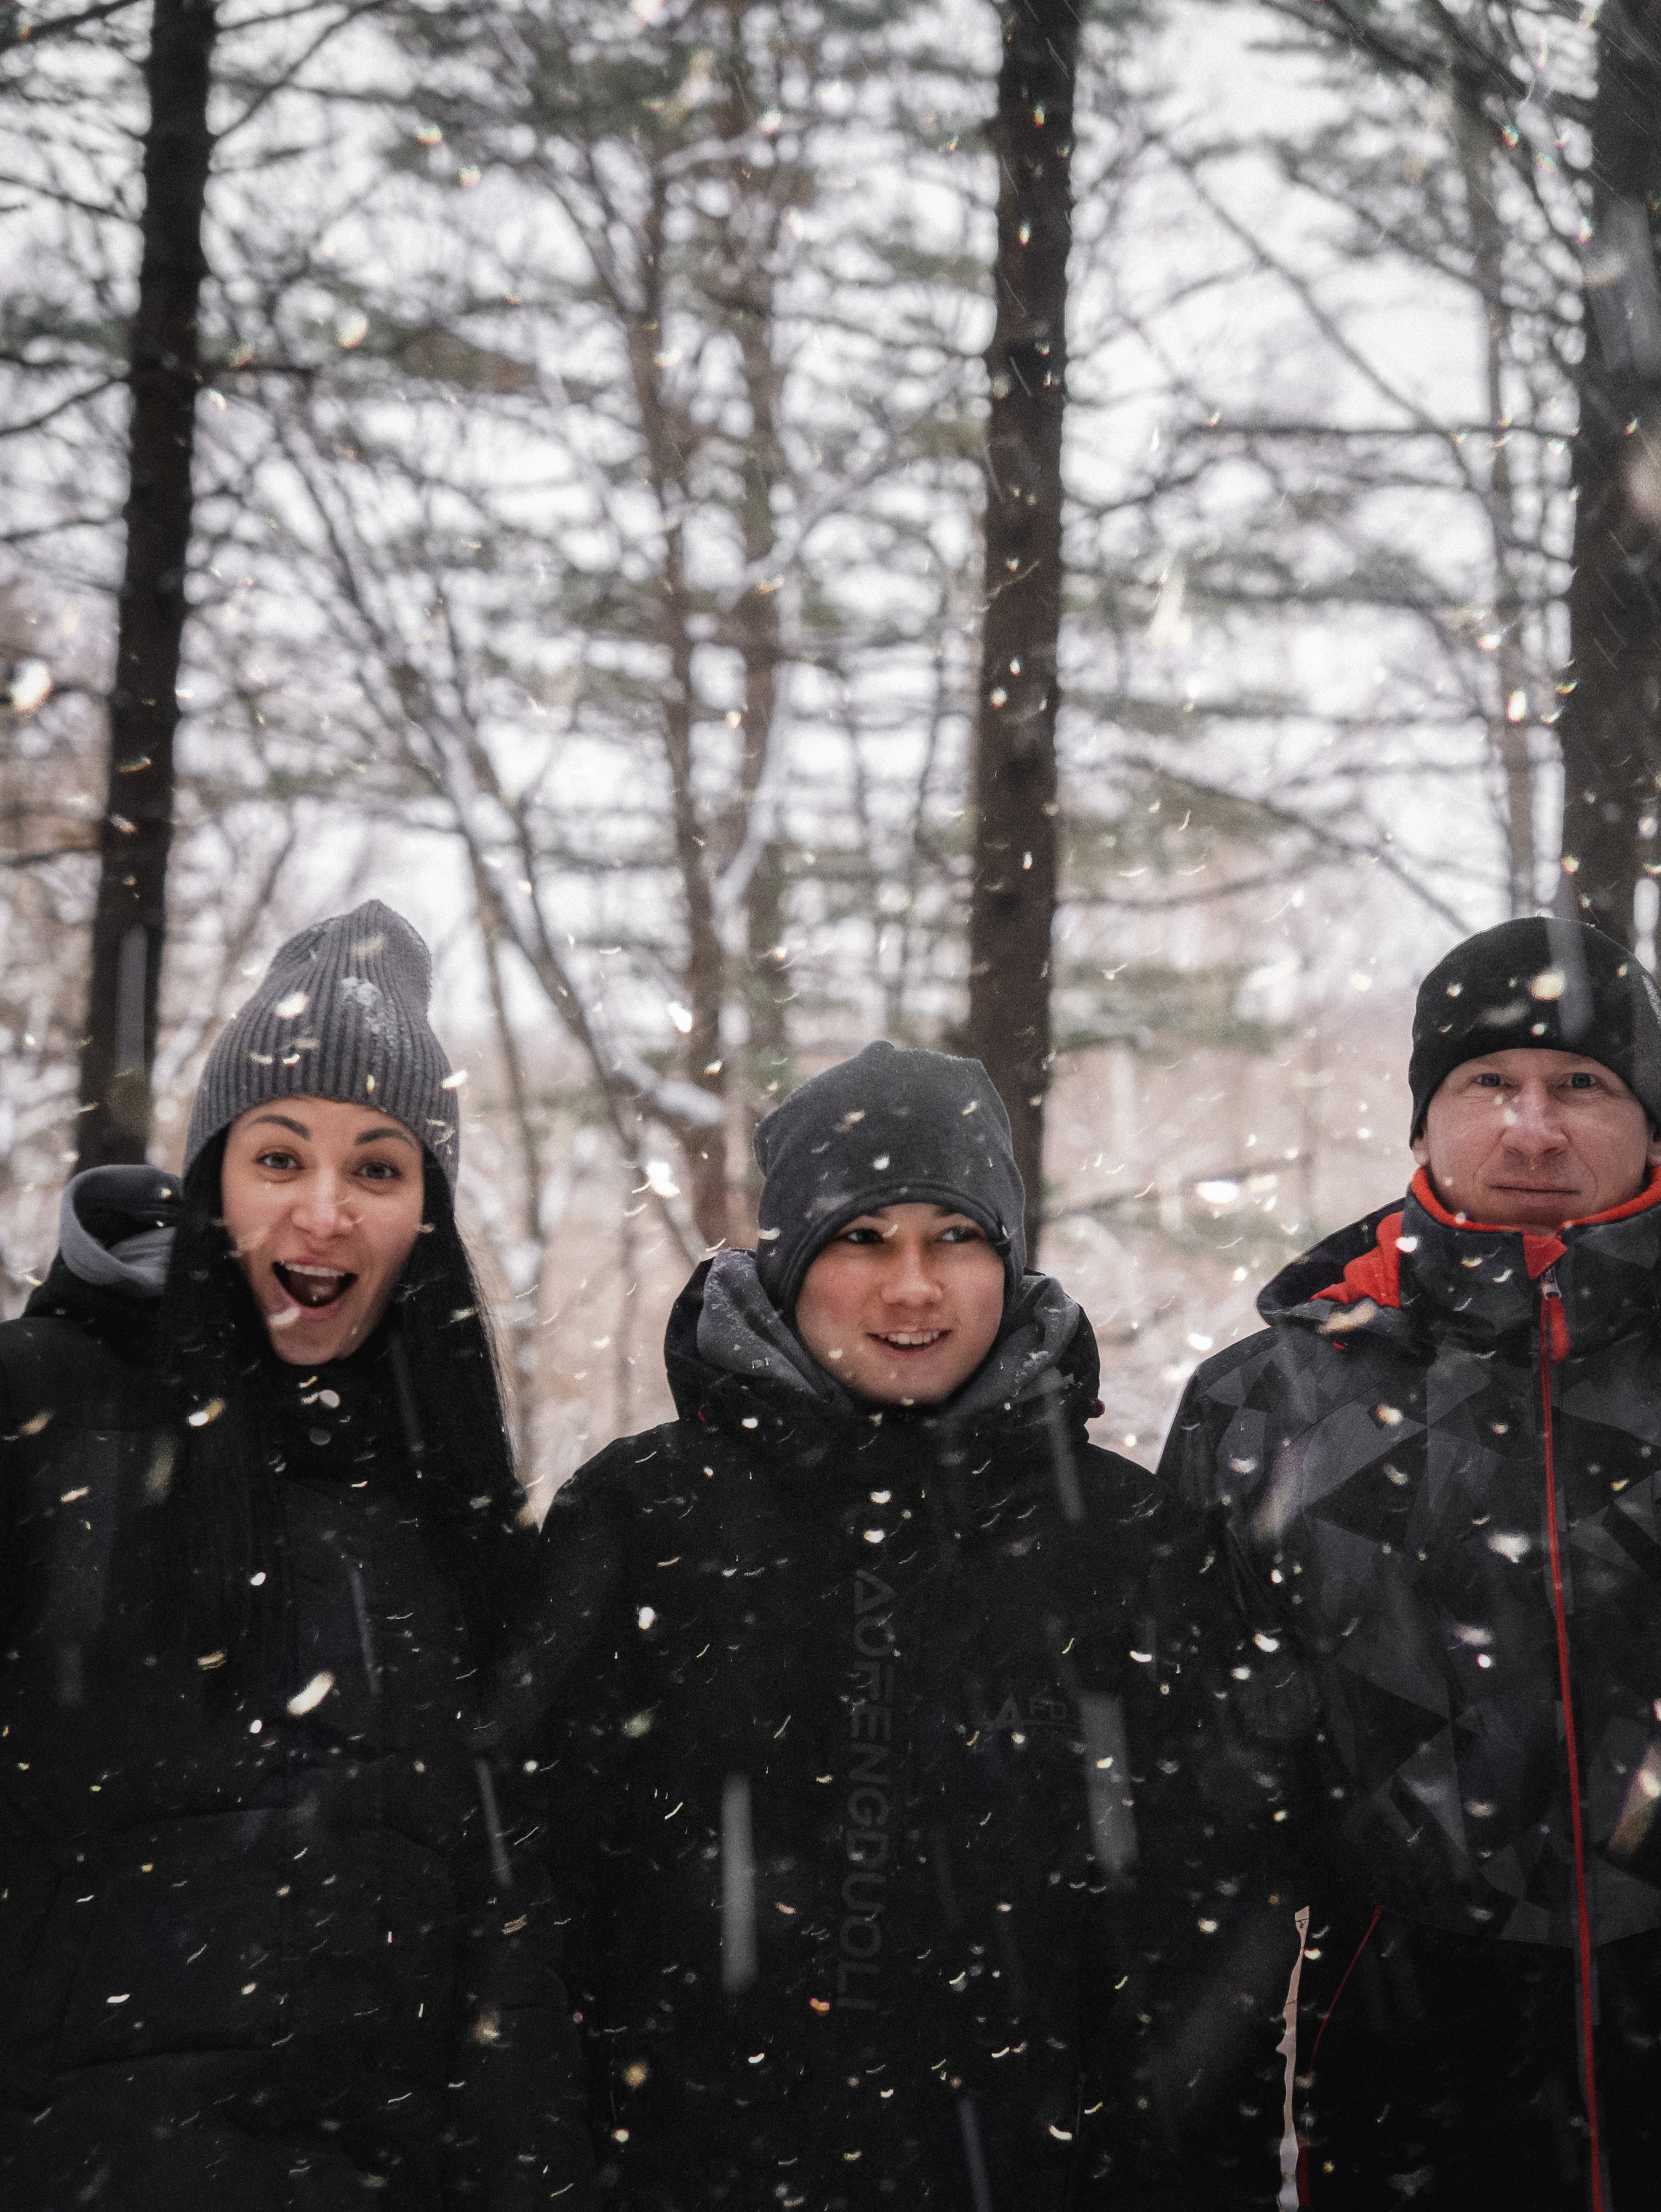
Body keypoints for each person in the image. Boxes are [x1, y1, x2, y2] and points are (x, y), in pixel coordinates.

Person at [529, 1042, 1204, 2209]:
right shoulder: (641, 1517)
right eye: (863, 1238)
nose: (913, 1287)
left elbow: (1200, 1947)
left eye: (956, 1236)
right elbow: (540, 1915)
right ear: (790, 1262)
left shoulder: (1118, 1536)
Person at [0, 901, 591, 2209]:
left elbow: (504, 1952)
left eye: (378, 1169)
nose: (322, 1212)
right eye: (279, 1158)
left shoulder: (452, 1525)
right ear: (213, 1180)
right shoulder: (43, 1412)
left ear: (424, 1215)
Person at [1154, 916, 1661, 2209]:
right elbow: (1193, 1824)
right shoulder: (1266, 1406)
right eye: (1485, 1082)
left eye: (1580, 1084)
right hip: (1406, 2077)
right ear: (1420, 1123)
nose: (1530, 1126)